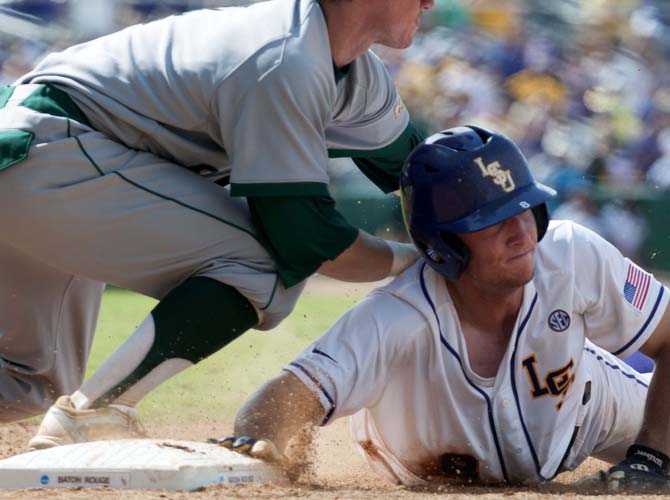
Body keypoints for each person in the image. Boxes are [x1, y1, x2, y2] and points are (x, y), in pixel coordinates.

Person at [0, 0, 436, 436]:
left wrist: (470, 241)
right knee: (265, 263)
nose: (430, 2)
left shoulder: (352, 72)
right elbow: (304, 239)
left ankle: (88, 410)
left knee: (26, 382)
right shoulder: (285, 57)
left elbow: (428, 168)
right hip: (52, 152)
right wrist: (417, 262)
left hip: (44, 160)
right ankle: (96, 415)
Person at [222, 126, 670, 492]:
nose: (520, 232)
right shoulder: (399, 317)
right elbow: (283, 398)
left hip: (584, 409)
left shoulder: (571, 256)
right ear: (443, 244)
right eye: (492, 221)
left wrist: (653, 457)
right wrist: (261, 445)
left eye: (525, 208)